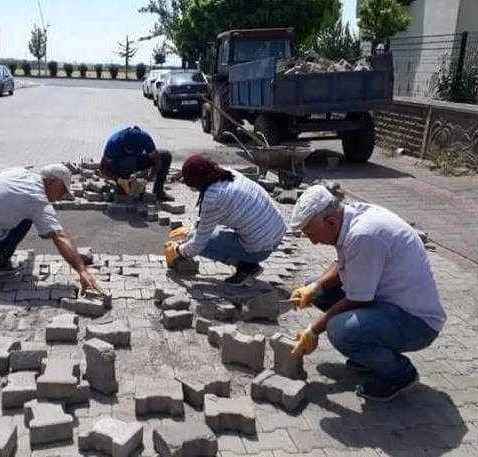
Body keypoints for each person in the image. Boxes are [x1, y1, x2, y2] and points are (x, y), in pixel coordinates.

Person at [288, 185, 447, 402]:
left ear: (331, 222)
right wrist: (314, 288)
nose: (313, 242)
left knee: (340, 330)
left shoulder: (364, 235)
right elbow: (344, 262)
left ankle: (400, 374)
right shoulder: (350, 218)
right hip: (386, 303)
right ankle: (368, 353)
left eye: (311, 235)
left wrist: (312, 331)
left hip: (417, 322)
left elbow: (356, 299)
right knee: (317, 287)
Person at [0, 164, 105, 295]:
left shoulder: (18, 172)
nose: (61, 197)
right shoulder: (37, 200)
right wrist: (82, 270)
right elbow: (59, 236)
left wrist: (30, 258)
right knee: (27, 219)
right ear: (51, 181)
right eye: (62, 191)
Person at [164, 154, 287, 286]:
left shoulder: (213, 198)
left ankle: (248, 267)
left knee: (197, 239)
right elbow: (209, 219)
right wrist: (194, 227)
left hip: (261, 248)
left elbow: (197, 245)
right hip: (276, 232)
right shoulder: (228, 173)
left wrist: (178, 251)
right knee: (198, 233)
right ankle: (248, 260)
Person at [99, 126, 174, 202]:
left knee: (165, 156)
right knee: (128, 162)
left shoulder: (144, 138)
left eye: (132, 150)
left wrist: (147, 179)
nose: (130, 152)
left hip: (137, 160)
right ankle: (123, 188)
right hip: (119, 165)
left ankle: (158, 192)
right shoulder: (114, 142)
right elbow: (102, 167)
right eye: (128, 150)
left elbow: (157, 161)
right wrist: (118, 180)